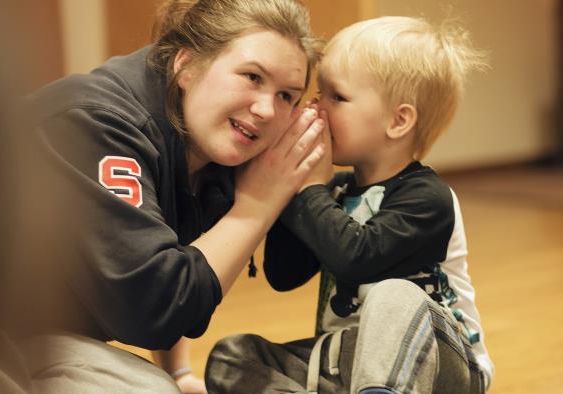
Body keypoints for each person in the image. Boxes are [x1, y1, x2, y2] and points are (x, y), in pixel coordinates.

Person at [13, 0, 325, 392]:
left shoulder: (202, 134)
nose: (265, 109)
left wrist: (178, 374)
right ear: (187, 65)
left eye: (287, 96)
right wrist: (256, 207)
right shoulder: (96, 123)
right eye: (252, 76)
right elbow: (152, 307)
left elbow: (163, 247)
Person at [205, 16, 495, 393]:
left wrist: (310, 190)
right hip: (347, 362)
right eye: (318, 92)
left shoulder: (428, 198)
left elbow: (356, 258)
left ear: (398, 121)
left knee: (394, 295)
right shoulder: (335, 191)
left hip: (440, 364)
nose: (316, 108)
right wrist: (288, 186)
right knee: (233, 358)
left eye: (336, 97)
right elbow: (284, 274)